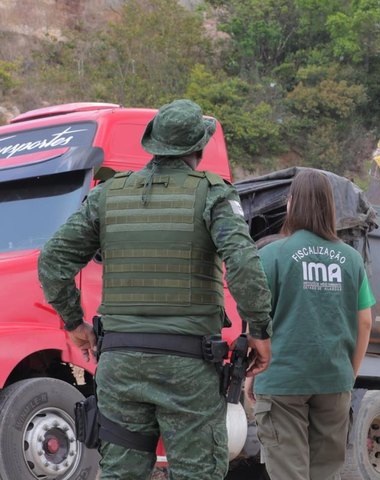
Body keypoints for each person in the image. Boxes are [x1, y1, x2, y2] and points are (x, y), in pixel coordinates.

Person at [38, 99, 273, 480]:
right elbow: (244, 265)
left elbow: (52, 262)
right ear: (199, 148)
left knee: (120, 474)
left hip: (119, 364)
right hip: (189, 368)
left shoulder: (106, 195)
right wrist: (259, 331)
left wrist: (74, 323)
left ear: (155, 144)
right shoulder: (213, 194)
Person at [245, 169, 375, 480]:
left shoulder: (271, 255)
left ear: (291, 204)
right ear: (330, 207)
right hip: (334, 379)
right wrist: (349, 373)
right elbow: (366, 322)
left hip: (282, 380)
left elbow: (256, 319)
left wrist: (253, 373)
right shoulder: (351, 259)